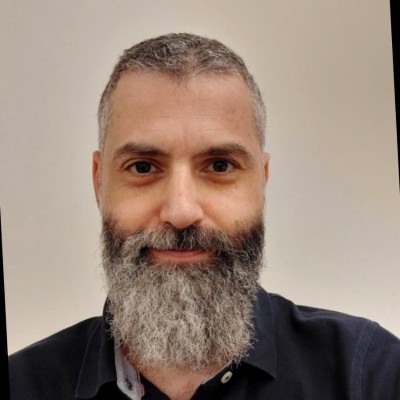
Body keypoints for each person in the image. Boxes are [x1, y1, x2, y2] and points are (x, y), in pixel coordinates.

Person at [8, 32, 400, 400]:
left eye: (219, 165)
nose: (181, 212)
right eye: (143, 167)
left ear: (262, 181)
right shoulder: (21, 385)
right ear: (99, 183)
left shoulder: (369, 375)